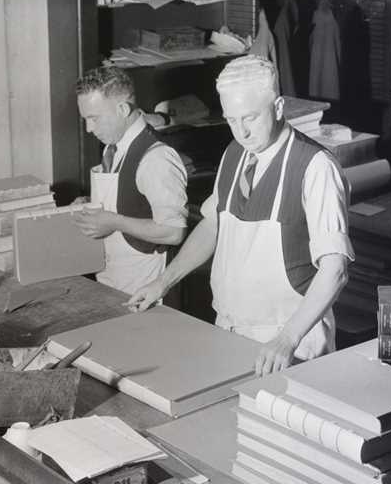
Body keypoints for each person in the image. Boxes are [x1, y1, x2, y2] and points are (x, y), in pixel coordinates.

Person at [127, 55, 354, 376]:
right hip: (229, 328)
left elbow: (335, 270)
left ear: (278, 108)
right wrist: (163, 281)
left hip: (288, 339)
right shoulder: (234, 154)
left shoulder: (316, 167)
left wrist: (286, 339)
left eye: (250, 118)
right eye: (231, 120)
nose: (241, 132)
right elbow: (213, 224)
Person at [72, 66, 188, 295]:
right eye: (85, 119)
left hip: (144, 284)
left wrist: (114, 221)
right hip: (111, 275)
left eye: (94, 119)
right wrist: (91, 205)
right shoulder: (112, 148)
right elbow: (128, 200)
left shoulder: (156, 158)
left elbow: (173, 231)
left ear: (123, 109)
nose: (88, 128)